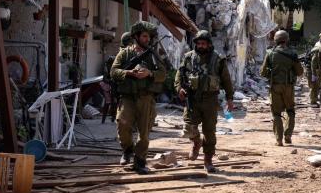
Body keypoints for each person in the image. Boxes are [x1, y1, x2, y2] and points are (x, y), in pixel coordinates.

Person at [111, 21, 166, 174]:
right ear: (136, 36)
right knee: (123, 124)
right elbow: (113, 72)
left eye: (149, 36)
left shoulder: (153, 55)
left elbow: (163, 74)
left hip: (145, 98)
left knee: (144, 133)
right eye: (144, 36)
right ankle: (127, 149)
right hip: (127, 97)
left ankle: (140, 161)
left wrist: (150, 73)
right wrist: (128, 73)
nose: (147, 39)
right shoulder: (125, 53)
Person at [176, 30, 234, 172]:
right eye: (199, 43)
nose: (201, 46)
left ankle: (208, 160)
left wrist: (230, 98)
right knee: (188, 127)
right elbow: (179, 76)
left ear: (209, 44)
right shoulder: (188, 58)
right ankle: (196, 142)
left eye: (204, 43)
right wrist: (179, 89)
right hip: (192, 98)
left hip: (210, 99)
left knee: (209, 131)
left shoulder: (218, 59)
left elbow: (226, 80)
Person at [261, 30, 305, 145]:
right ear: (287, 39)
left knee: (276, 114)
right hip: (288, 87)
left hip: (275, 86)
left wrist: (271, 73)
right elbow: (300, 72)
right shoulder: (292, 53)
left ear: (275, 39)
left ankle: (279, 139)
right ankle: (288, 135)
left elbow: (263, 72)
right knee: (290, 111)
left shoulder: (270, 53)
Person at [100, 32, 134, 123]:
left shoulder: (129, 54)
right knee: (116, 101)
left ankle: (118, 118)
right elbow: (107, 74)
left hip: (121, 83)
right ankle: (116, 118)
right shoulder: (118, 56)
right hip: (113, 84)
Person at [306, 32, 321, 107]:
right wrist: (314, 74)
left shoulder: (319, 47)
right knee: (313, 86)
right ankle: (312, 101)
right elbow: (313, 63)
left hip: (316, 69)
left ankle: (314, 99)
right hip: (313, 70)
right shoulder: (318, 49)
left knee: (317, 86)